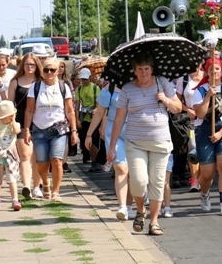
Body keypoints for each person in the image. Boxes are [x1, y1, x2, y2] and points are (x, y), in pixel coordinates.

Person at [108, 53, 182, 236]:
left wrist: (165, 99)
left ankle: (154, 222)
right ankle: (140, 211)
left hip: (161, 142)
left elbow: (178, 108)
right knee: (139, 181)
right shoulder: (127, 89)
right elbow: (119, 119)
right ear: (134, 70)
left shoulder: (163, 83)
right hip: (135, 143)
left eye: (146, 69)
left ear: (152, 69)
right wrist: (112, 146)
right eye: (139, 69)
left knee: (157, 183)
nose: (143, 73)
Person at [24, 57, 78, 202]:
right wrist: (27, 130)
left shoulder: (63, 87)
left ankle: (56, 191)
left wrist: (73, 131)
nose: (49, 72)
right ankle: (45, 184)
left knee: (57, 160)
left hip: (58, 128)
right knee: (42, 163)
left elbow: (70, 111)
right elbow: (29, 110)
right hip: (39, 129)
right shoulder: (35, 87)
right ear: (42, 71)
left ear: (57, 71)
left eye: (52, 70)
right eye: (46, 69)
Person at [193, 57, 222, 215]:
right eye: (211, 69)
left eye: (218, 69)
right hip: (205, 130)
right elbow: (199, 114)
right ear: (207, 71)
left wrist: (220, 133)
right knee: (207, 173)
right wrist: (208, 96)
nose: (215, 72)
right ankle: (205, 194)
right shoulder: (199, 91)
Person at [86, 82, 135, 221]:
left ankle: (130, 205)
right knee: (121, 168)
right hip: (114, 132)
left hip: (135, 131)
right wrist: (89, 134)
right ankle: (122, 206)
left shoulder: (140, 86)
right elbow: (100, 112)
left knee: (132, 171)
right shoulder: (110, 88)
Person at [7, 53, 43, 199]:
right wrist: (11, 124)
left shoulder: (42, 81)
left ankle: (37, 187)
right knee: (25, 155)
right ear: (23, 65)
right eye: (27, 64)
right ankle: (27, 186)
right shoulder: (15, 82)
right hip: (21, 122)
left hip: (40, 122)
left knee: (38, 157)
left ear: (37, 66)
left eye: (32, 65)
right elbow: (10, 105)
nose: (30, 67)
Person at [175, 64, 204, 192]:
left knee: (204, 148)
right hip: (191, 121)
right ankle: (195, 179)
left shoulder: (207, 77)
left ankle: (204, 177)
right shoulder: (184, 79)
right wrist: (188, 110)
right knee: (192, 148)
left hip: (205, 119)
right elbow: (177, 100)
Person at [76, 68, 101, 169]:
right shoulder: (79, 89)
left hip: (94, 117)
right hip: (84, 117)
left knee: (94, 139)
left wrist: (96, 109)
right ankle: (92, 158)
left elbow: (99, 104)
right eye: (82, 79)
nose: (84, 81)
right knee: (84, 138)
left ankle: (96, 160)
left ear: (90, 78)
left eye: (85, 79)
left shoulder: (95, 88)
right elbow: (77, 105)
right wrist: (76, 119)